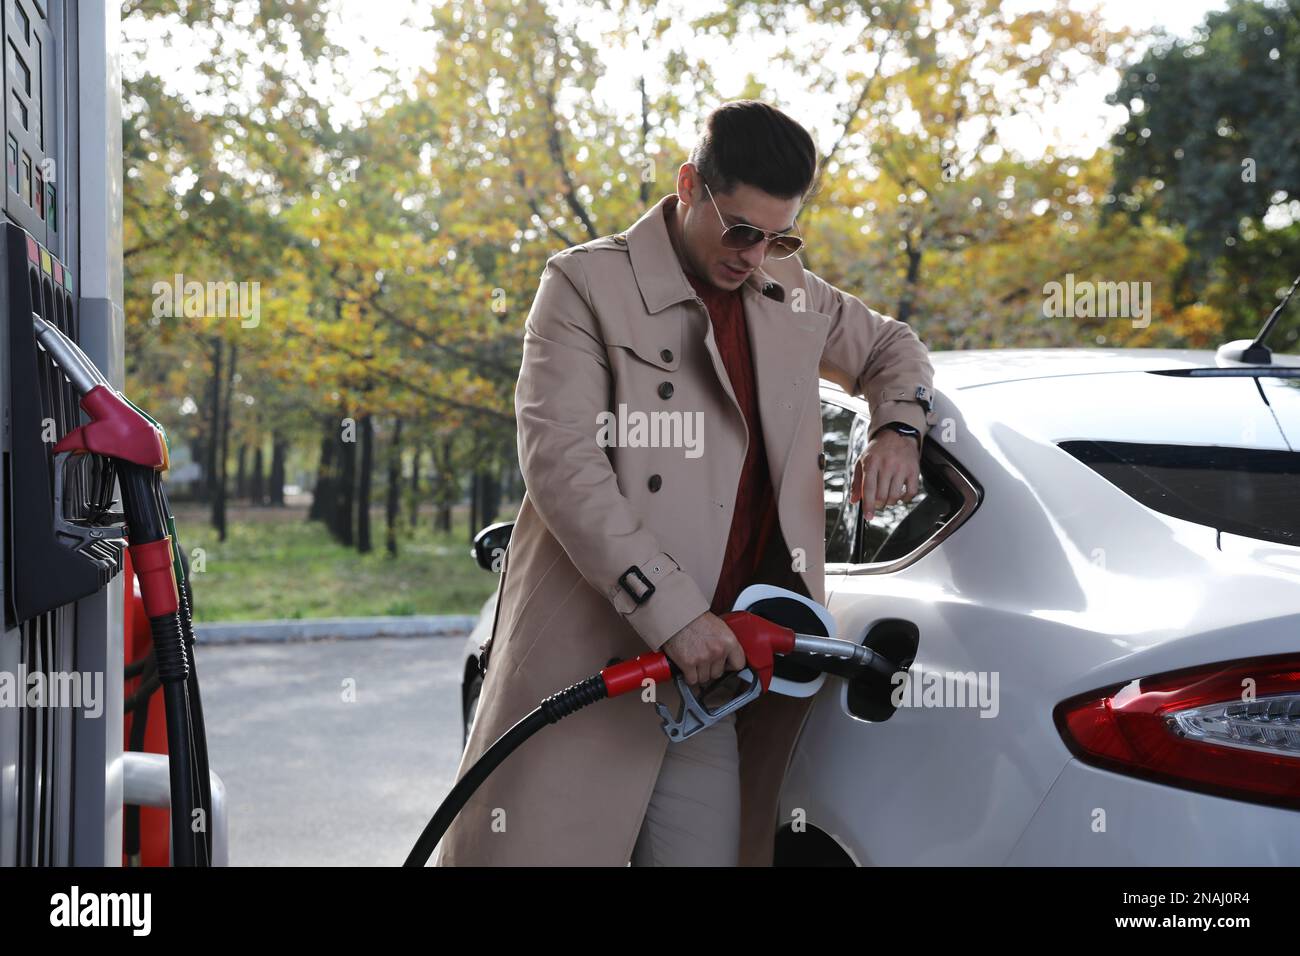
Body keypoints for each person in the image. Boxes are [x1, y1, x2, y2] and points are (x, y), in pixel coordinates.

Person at [434, 100, 936, 867]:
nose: (755, 255)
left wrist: (898, 428)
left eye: (780, 237)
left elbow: (894, 348)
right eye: (740, 230)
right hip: (595, 664)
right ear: (689, 185)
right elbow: (564, 464)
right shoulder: (584, 285)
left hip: (713, 680)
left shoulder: (790, 293)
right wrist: (674, 613)